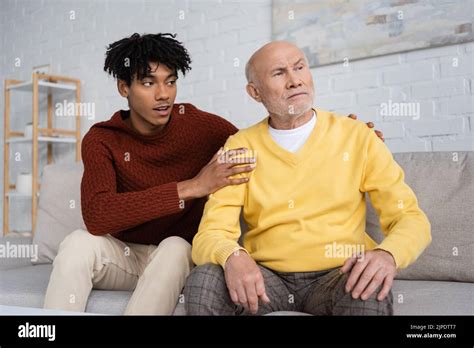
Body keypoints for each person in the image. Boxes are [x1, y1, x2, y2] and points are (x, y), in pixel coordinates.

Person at [43, 33, 383, 315]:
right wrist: (191, 187)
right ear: (123, 88)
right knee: (75, 243)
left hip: (176, 258)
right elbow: (99, 217)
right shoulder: (102, 139)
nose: (163, 94)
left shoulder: (201, 127)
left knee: (176, 246)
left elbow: (271, 139)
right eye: (148, 83)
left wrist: (346, 136)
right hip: (123, 257)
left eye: (170, 82)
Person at [184, 41, 431, 316]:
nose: (294, 80)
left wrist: (389, 255)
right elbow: (211, 233)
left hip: (339, 274)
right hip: (265, 281)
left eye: (299, 67)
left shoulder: (358, 136)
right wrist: (232, 255)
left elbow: (410, 218)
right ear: (255, 92)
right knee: (204, 281)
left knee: (367, 292)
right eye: (278, 73)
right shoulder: (239, 147)